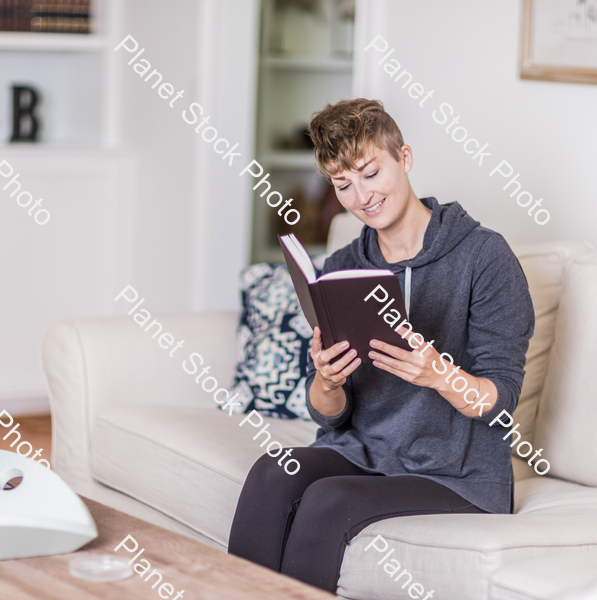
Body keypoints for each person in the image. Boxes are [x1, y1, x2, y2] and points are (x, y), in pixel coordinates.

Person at [228, 98, 535, 593]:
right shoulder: (343, 266)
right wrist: (326, 380)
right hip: (363, 451)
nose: (362, 197)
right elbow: (328, 414)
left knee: (326, 502)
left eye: (371, 173)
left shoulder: (485, 257)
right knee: (272, 472)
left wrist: (439, 374)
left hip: (456, 473)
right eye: (343, 185)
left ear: (404, 157)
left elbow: (499, 400)